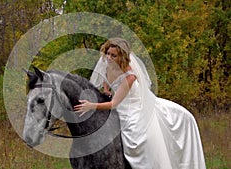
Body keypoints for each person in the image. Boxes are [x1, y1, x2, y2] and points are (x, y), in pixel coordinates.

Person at [74, 38, 206, 169]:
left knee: (139, 138)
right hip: (120, 102)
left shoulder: (129, 76)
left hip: (134, 106)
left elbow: (114, 104)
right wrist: (107, 90)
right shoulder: (107, 64)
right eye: (108, 53)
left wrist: (92, 105)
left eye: (113, 55)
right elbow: (106, 80)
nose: (108, 57)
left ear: (122, 57)